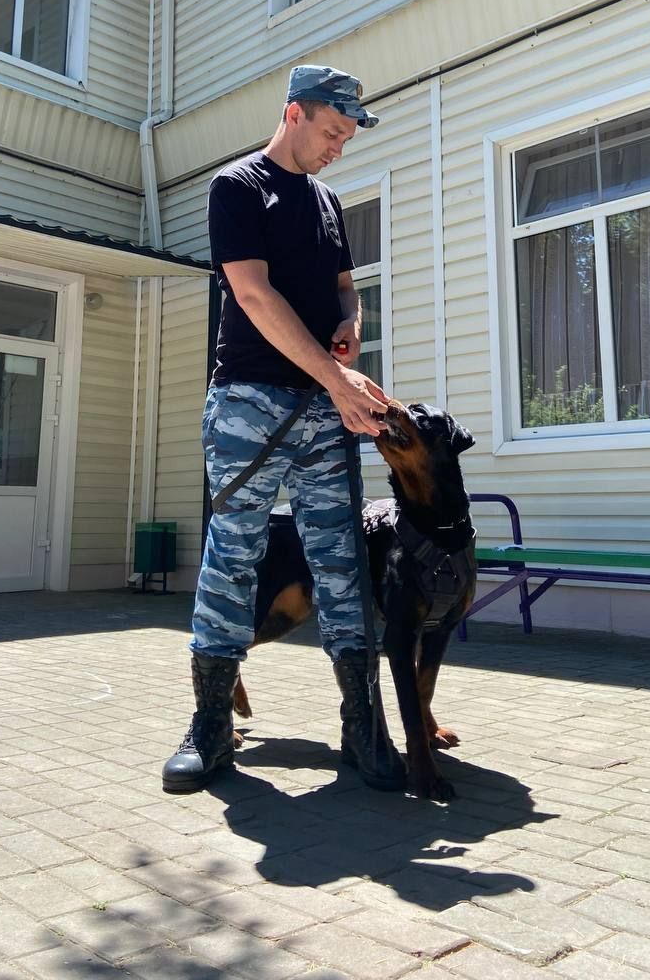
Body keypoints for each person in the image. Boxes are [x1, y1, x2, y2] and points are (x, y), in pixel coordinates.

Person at [161, 65, 406, 795]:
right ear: (295, 113)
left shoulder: (328, 202)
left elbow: (344, 286)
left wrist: (351, 325)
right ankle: (210, 728)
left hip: (323, 412)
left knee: (342, 563)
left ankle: (362, 726)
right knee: (232, 558)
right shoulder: (237, 187)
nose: (339, 148)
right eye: (332, 132)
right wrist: (338, 381)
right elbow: (253, 294)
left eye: (347, 137)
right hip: (249, 405)